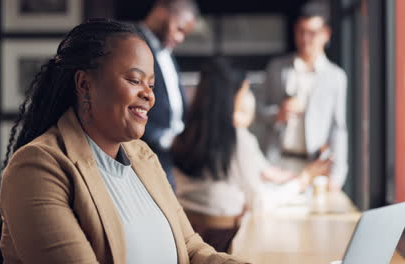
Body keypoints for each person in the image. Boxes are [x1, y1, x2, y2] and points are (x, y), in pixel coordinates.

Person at [0, 19, 248, 264]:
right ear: (84, 84)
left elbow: (191, 249)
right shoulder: (37, 169)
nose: (149, 95)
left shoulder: (143, 156)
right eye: (134, 80)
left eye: (151, 85)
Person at [172, 58, 330, 252]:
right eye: (246, 91)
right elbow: (259, 202)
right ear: (232, 97)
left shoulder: (183, 134)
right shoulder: (236, 138)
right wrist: (303, 180)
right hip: (224, 240)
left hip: (184, 240)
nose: (249, 99)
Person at [258, 2, 348, 191]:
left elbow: (338, 129)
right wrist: (278, 114)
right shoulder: (277, 68)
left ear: (326, 35)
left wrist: (338, 175)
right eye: (301, 31)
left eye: (312, 33)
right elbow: (257, 111)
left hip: (314, 167)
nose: (305, 39)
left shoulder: (336, 77)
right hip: (277, 163)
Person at [136, 0, 198, 190]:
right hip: (143, 155)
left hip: (171, 159)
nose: (180, 39)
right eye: (179, 29)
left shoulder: (167, 52)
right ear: (162, 11)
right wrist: (165, 139)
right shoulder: (132, 44)